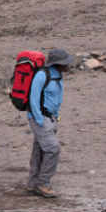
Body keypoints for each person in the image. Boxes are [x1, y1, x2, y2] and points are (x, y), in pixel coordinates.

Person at [26, 49, 73, 198]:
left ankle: (33, 183)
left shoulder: (57, 76)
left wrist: (55, 118)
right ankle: (43, 183)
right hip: (39, 118)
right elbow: (33, 99)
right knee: (53, 148)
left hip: (50, 118)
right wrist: (39, 120)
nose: (69, 66)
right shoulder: (42, 75)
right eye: (65, 63)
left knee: (40, 150)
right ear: (58, 64)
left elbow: (56, 99)